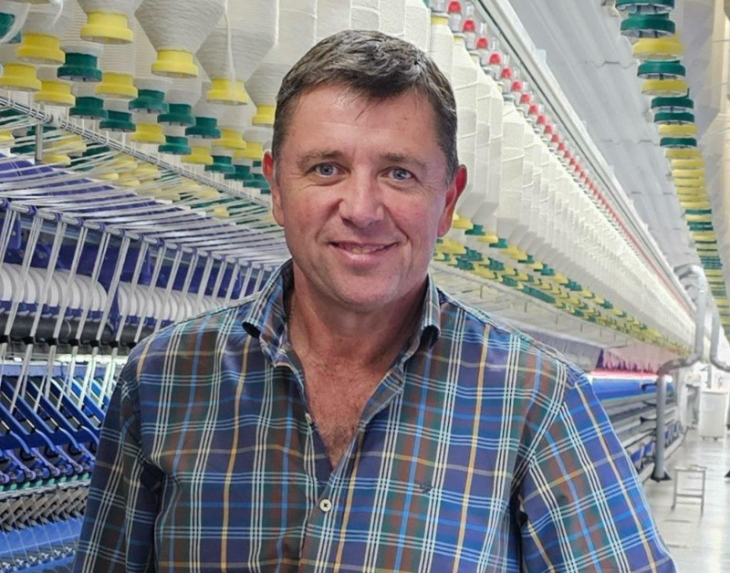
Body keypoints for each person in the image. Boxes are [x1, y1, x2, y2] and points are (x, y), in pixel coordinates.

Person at [73, 30, 676, 572]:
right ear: (276, 187)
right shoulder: (162, 380)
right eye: (326, 168)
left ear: (448, 200)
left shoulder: (538, 400)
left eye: (399, 174)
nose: (361, 209)